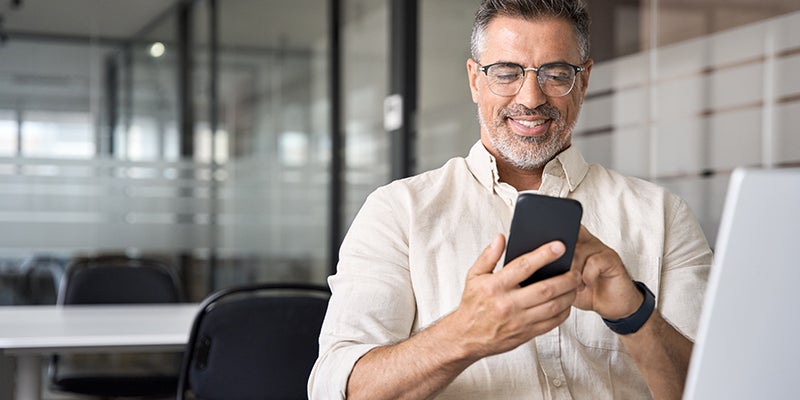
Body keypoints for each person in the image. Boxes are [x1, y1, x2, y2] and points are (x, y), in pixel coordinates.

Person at [308, 0, 712, 399]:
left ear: (584, 81)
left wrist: (635, 314)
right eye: (506, 73)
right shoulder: (398, 212)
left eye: (556, 74)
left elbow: (720, 386)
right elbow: (336, 388)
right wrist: (464, 333)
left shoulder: (661, 215)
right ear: (474, 80)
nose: (532, 98)